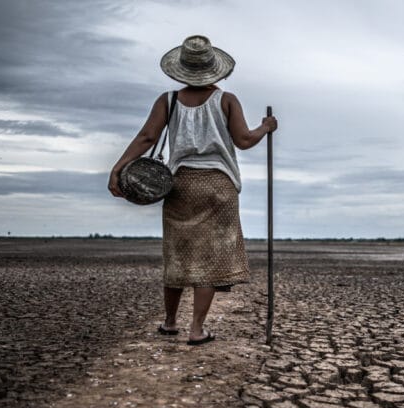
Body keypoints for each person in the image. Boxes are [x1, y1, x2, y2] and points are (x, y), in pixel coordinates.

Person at [108, 35, 277, 345]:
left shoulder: (168, 100)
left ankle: (170, 322)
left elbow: (147, 138)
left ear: (181, 69)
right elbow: (243, 140)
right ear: (215, 70)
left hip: (180, 184)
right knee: (210, 259)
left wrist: (119, 167)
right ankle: (197, 329)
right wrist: (265, 128)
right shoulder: (226, 100)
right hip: (219, 185)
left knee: (178, 253)